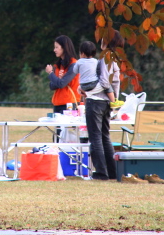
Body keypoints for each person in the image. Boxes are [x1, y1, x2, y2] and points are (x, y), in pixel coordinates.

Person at [84, 29, 124, 181]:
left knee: (95, 138)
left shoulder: (105, 59)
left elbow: (105, 82)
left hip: (96, 102)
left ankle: (101, 173)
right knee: (104, 137)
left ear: (107, 42)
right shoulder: (113, 59)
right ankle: (112, 172)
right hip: (107, 102)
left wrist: (87, 90)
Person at [45, 35, 80, 115]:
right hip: (57, 103)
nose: (54, 50)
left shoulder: (74, 65)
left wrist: (51, 73)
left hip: (70, 103)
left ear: (64, 48)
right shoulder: (58, 65)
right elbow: (52, 86)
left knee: (68, 127)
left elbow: (62, 84)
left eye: (57, 47)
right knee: (58, 127)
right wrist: (58, 79)